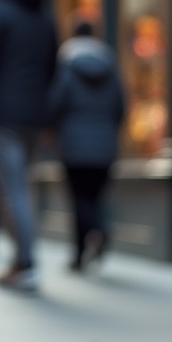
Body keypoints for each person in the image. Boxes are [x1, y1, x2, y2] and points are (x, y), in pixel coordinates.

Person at [0, 0, 59, 291]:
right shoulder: (45, 15)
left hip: (3, 115)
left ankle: (25, 264)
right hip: (35, 115)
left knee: (12, 190)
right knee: (23, 187)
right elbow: (52, 66)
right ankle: (23, 260)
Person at [48, 20, 126, 271]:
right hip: (105, 144)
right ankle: (86, 248)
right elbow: (121, 107)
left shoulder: (67, 65)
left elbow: (55, 103)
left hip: (73, 144)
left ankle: (91, 239)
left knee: (79, 199)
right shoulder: (110, 66)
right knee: (94, 197)